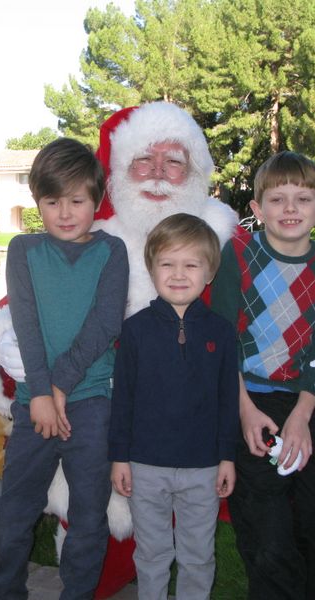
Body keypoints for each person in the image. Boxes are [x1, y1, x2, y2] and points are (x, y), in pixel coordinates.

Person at [0, 101, 315, 597]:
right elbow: (23, 301)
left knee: (288, 506)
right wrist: (5, 337)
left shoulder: (225, 234)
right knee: (100, 542)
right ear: (118, 171)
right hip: (111, 411)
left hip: (204, 416)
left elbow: (309, 287)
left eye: (174, 161)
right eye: (145, 160)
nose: (159, 175)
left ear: (196, 171)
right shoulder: (93, 232)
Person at [0, 138, 129, 600]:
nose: (65, 212)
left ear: (97, 201)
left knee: (89, 514)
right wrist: (41, 394)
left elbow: (105, 325)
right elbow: (25, 323)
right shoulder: (23, 250)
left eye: (77, 201)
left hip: (90, 405)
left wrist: (58, 388)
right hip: (33, 405)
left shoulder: (113, 251)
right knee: (14, 510)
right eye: (52, 201)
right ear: (37, 203)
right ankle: (7, 593)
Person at [210, 151, 315, 599]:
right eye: (277, 199)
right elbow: (223, 343)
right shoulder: (237, 260)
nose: (290, 209)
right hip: (249, 399)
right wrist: (245, 412)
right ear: (256, 210)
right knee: (265, 528)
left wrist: (302, 416)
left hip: (310, 402)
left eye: (303, 198)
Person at [108, 213, 239, 600]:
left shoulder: (221, 332)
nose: (178, 274)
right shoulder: (135, 331)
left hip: (203, 468)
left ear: (209, 272)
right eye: (167, 263)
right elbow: (123, 399)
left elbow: (227, 400)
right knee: (152, 553)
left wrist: (227, 457)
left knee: (198, 554)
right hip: (147, 466)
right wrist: (119, 457)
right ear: (151, 269)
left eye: (190, 264)